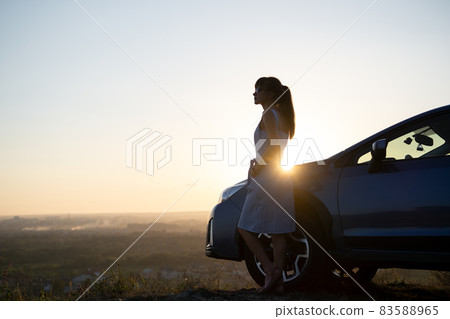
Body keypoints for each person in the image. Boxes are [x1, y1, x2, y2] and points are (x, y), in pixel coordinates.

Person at [237, 77, 296, 294]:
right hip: (281, 176)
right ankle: (278, 282)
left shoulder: (269, 114)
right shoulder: (282, 115)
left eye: (258, 89)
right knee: (277, 231)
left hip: (268, 177)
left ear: (270, 94)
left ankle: (270, 270)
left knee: (244, 227)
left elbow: (273, 145)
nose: (254, 94)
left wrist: (259, 165)